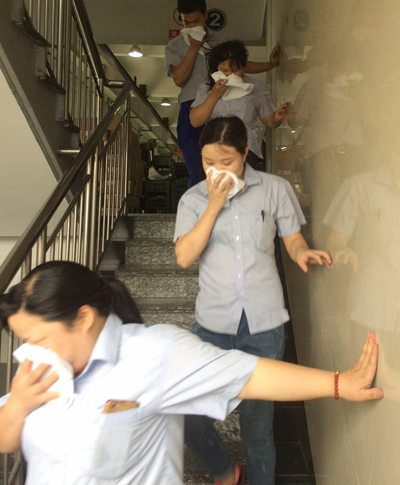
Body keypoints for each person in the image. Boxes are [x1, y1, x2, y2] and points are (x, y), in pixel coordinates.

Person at [0, 261, 383, 485]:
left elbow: (249, 376)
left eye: (37, 338)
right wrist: (18, 405)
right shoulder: (39, 372)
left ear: (83, 318)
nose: (28, 352)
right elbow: (6, 439)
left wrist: (340, 384)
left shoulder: (153, 354)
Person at [174, 116, 334, 485]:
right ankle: (224, 471)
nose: (217, 170)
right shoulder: (193, 200)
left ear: (245, 153)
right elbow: (184, 257)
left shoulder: (275, 188)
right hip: (212, 325)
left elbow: (292, 237)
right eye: (208, 162)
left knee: (258, 426)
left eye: (227, 161)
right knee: (189, 415)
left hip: (264, 323)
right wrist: (214, 205)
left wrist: (302, 252)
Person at [165, 0, 280, 187]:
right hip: (193, 104)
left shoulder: (220, 40)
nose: (191, 26)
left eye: (196, 21)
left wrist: (270, 65)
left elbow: (240, 66)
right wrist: (193, 48)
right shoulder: (174, 46)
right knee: (196, 164)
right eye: (186, 23)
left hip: (228, 102)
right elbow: (179, 79)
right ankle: (202, 202)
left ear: (205, 16)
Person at [190, 40, 290, 170]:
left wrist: (277, 118)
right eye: (224, 70)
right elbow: (195, 121)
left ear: (244, 67)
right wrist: (214, 95)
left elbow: (268, 121)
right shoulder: (206, 88)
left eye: (235, 70)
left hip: (247, 150)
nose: (230, 75)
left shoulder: (256, 87)